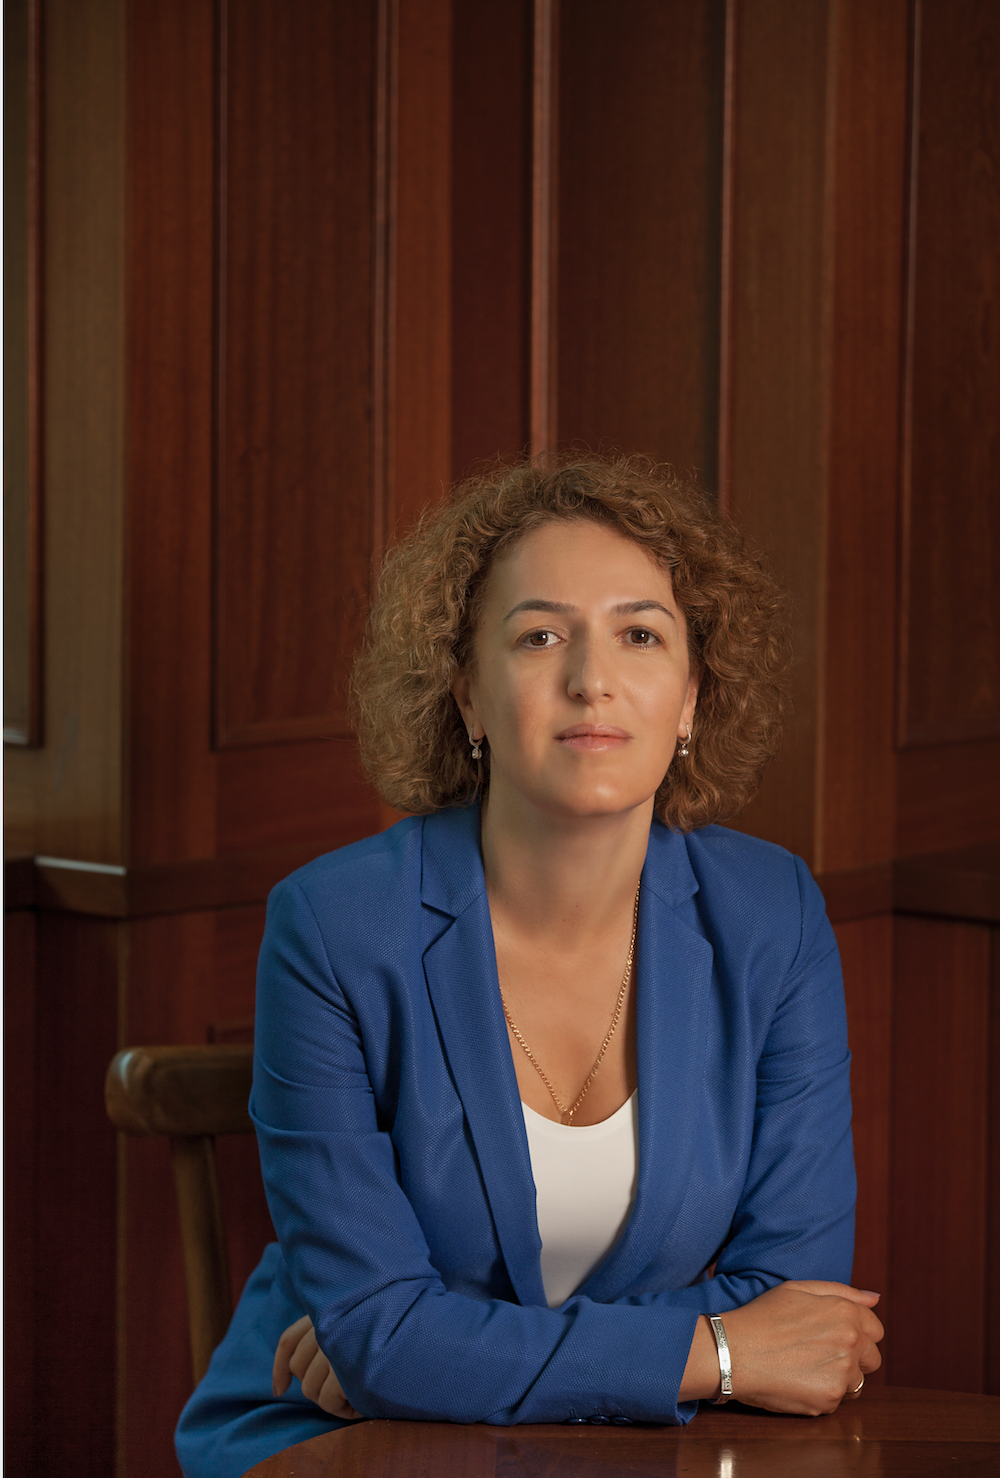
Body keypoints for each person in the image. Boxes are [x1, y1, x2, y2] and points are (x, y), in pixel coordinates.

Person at [176, 456, 882, 1478]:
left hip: (637, 1449)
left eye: (641, 634)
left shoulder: (772, 914)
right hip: (348, 1440)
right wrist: (719, 1352)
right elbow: (380, 1336)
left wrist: (431, 1350)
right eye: (539, 635)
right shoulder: (333, 925)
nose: (592, 678)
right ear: (466, 692)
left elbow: (799, 1303)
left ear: (692, 696)